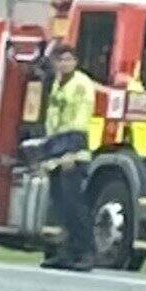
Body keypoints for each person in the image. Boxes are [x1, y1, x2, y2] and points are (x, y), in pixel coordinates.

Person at [42, 44, 97, 272]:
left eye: (68, 59)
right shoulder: (58, 83)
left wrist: (70, 154)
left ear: (75, 62)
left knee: (75, 206)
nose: (64, 64)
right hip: (56, 150)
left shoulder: (81, 85)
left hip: (73, 152)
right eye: (60, 60)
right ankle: (66, 253)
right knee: (61, 206)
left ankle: (85, 253)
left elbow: (80, 120)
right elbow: (53, 119)